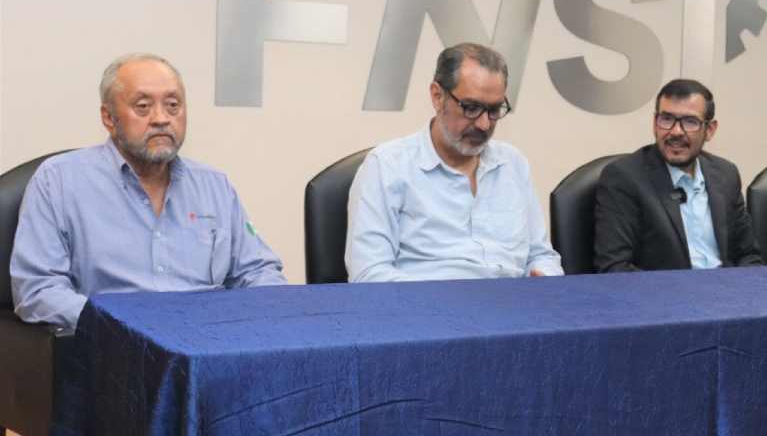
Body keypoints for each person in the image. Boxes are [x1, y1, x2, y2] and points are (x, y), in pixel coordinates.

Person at [11, 54, 287, 328]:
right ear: (109, 117)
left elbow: (258, 271)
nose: (161, 119)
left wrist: (281, 311)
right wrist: (126, 325)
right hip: (115, 343)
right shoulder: (59, 180)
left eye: (173, 105)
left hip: (211, 340)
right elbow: (38, 291)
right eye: (143, 106)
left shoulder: (215, 185)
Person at [346, 43, 562, 281]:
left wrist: (545, 279)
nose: (484, 124)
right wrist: (442, 299)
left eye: (494, 110)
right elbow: (368, 273)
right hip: (429, 301)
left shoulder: (513, 163)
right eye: (471, 108)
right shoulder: (387, 166)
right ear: (437, 96)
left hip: (514, 300)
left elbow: (542, 255)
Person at [594, 79, 762, 272]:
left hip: (726, 287)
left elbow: (749, 255)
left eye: (690, 121)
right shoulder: (625, 177)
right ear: (654, 123)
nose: (676, 131)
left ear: (710, 129)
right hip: (664, 290)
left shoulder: (726, 174)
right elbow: (615, 268)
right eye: (666, 119)